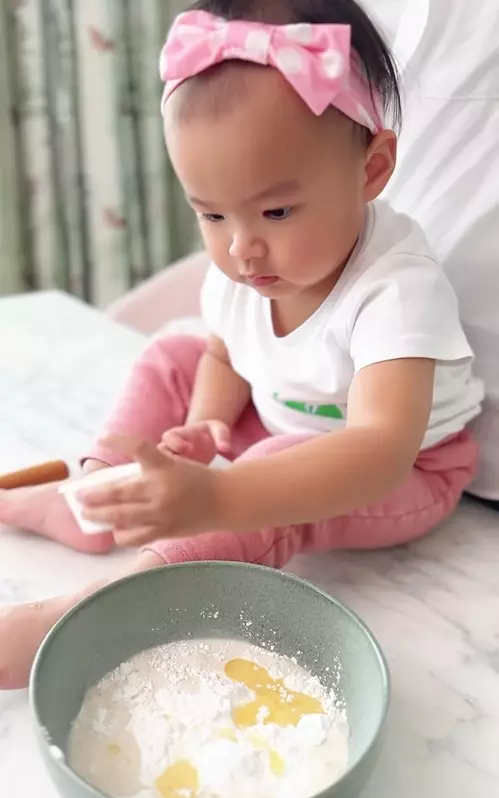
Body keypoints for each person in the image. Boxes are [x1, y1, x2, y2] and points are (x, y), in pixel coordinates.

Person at [0, 0, 484, 690]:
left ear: (372, 168)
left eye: (276, 210)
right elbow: (227, 354)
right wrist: (208, 423)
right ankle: (100, 491)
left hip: (405, 470)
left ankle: (93, 614)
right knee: (173, 355)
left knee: (269, 470)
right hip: (280, 413)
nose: (241, 247)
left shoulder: (397, 289)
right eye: (210, 214)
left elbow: (380, 448)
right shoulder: (246, 267)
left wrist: (222, 497)